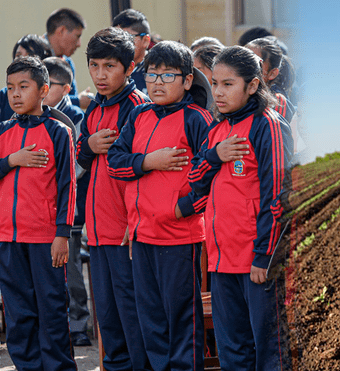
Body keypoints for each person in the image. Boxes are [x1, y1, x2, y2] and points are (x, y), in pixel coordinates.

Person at [107, 40, 211, 371]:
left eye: (168, 75)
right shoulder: (139, 115)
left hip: (179, 236)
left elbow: (211, 175)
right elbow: (115, 162)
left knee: (182, 318)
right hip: (142, 234)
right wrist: (149, 161)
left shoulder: (197, 119)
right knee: (151, 317)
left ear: (187, 80)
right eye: (152, 74)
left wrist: (184, 208)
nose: (157, 82)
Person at [189, 45, 293, 370]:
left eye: (228, 84)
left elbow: (277, 195)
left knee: (269, 352)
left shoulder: (268, 125)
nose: (218, 92)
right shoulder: (217, 130)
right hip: (221, 262)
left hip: (257, 262)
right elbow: (195, 181)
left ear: (252, 85)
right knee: (233, 352)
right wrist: (213, 155)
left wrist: (264, 255)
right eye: (215, 83)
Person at [0, 56, 77, 370]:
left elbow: (68, 187)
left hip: (45, 239)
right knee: (18, 313)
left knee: (51, 309)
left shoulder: (58, 132)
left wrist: (62, 234)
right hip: (8, 238)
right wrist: (13, 160)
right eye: (10, 87)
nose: (15, 94)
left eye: (23, 87)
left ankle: (58, 366)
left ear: (43, 90)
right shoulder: (2, 132)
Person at [75, 28, 150, 370]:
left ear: (129, 67)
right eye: (94, 66)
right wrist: (88, 146)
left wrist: (135, 221)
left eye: (109, 66)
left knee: (134, 314)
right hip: (99, 230)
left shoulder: (139, 108)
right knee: (107, 316)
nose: (101, 75)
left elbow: (146, 172)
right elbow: (81, 154)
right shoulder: (93, 111)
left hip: (127, 232)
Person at [43, 56, 91, 346]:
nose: (44, 90)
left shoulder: (76, 116)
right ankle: (55, 326)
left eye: (50, 85)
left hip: (71, 206)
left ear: (66, 87)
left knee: (72, 269)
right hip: (43, 207)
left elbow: (80, 162)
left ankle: (78, 324)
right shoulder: (34, 118)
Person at [0, 34, 54, 123]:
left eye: (30, 55)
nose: (23, 59)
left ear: (44, 91)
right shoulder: (1, 97)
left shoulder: (55, 95)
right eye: (18, 55)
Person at [45, 8, 91, 108]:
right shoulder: (32, 56)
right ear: (61, 31)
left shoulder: (67, 63)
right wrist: (78, 101)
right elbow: (34, 98)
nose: (79, 44)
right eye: (77, 36)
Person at [245, 37, 296, 122]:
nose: (245, 67)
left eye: (254, 62)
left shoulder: (277, 103)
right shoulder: (237, 97)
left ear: (272, 73)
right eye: (242, 60)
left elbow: (275, 133)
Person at [112, 8, 152, 93]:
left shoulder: (158, 71)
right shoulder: (112, 71)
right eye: (115, 38)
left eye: (127, 38)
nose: (120, 44)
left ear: (145, 41)